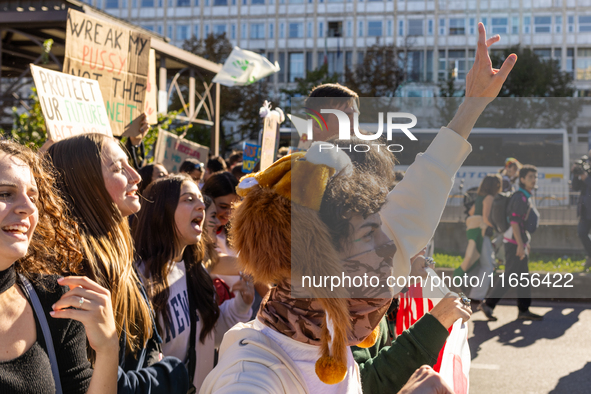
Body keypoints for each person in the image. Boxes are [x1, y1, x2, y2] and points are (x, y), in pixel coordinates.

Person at [200, 22, 516, 393]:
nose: (391, 247)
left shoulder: (332, 331)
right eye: (370, 232)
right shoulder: (251, 377)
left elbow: (423, 188)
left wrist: (473, 104)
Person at [47, 134, 190, 393]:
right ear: (84, 183)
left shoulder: (121, 258)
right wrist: (171, 374)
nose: (136, 176)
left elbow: (150, 346)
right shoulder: (68, 275)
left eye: (129, 164)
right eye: (118, 168)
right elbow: (95, 380)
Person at [0, 140, 117, 393]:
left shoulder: (55, 302)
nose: (29, 207)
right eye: (5, 194)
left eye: (33, 196)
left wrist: (108, 349)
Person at [132, 174, 254, 392]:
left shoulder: (196, 269)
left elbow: (208, 335)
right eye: (189, 199)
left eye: (201, 200)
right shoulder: (138, 280)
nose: (201, 206)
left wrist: (241, 305)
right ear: (161, 211)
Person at [481, 164, 543, 321]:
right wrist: (521, 245)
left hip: (518, 241)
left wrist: (524, 242)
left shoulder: (525, 196)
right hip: (514, 243)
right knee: (511, 275)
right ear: (522, 179)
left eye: (535, 177)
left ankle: (523, 310)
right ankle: (488, 304)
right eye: (530, 177)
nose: (534, 180)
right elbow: (514, 222)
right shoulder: (520, 197)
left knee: (522, 278)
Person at [455, 174, 502, 278]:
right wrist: (498, 228)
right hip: (481, 231)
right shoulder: (489, 197)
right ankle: (474, 291)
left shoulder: (480, 197)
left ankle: (464, 281)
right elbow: (486, 218)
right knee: (488, 265)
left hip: (472, 230)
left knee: (474, 258)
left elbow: (471, 212)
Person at [572, 157, 591, 271]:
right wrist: (575, 174)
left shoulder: (587, 175)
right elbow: (575, 187)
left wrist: (587, 179)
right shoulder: (586, 170)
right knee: (581, 232)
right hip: (585, 211)